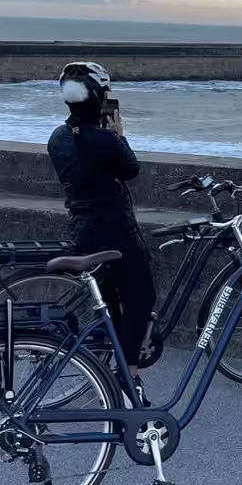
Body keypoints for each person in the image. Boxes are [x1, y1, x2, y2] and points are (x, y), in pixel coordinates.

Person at [47, 62, 158, 379]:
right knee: (140, 298)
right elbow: (130, 170)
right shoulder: (105, 140)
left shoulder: (58, 137)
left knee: (110, 302)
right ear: (97, 97)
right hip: (115, 234)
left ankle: (110, 368)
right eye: (106, 93)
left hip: (83, 230)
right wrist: (119, 135)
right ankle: (129, 376)